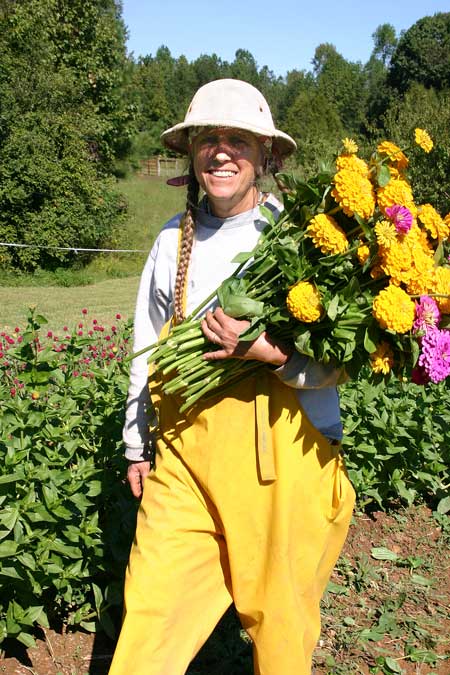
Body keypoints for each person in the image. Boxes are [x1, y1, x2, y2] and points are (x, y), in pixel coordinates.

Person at [109, 78, 355, 675]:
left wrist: (271, 354)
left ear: (265, 155)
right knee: (151, 614)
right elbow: (148, 347)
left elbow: (342, 359)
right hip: (187, 462)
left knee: (280, 629)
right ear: (191, 152)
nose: (221, 151)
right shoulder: (172, 241)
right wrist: (138, 443)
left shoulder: (301, 239)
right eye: (207, 138)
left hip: (283, 463)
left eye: (238, 139)